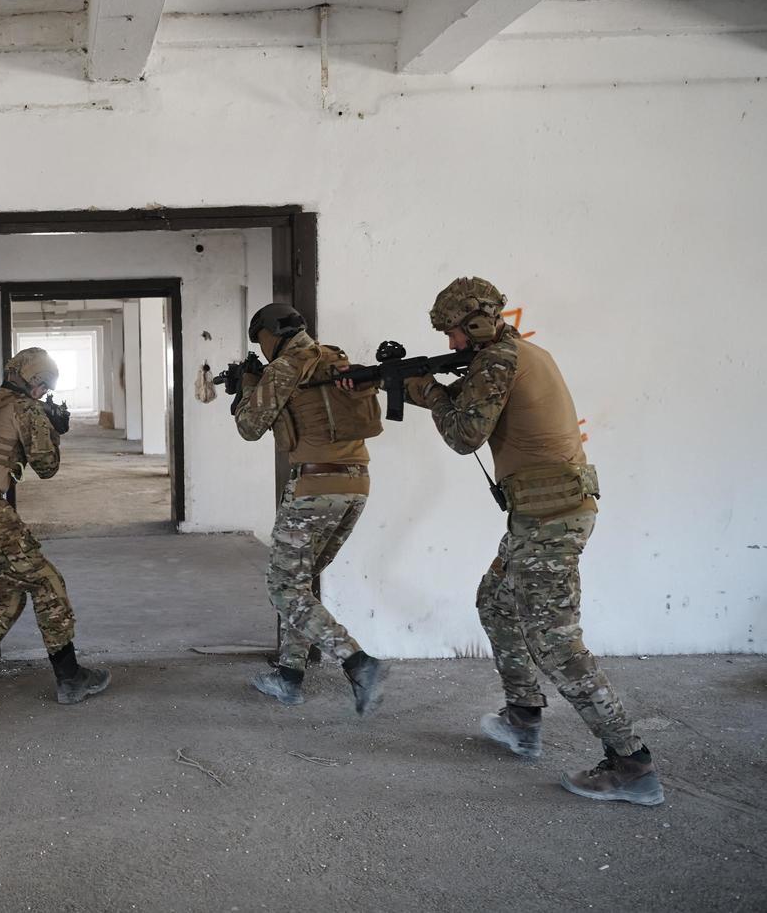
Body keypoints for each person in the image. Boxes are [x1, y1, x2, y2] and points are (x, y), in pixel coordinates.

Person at [406, 277, 663, 806]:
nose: (453, 344)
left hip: (551, 517)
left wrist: (426, 391)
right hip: (539, 514)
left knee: (554, 642)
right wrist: (426, 384)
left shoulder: (497, 360)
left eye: (454, 332)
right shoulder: (512, 352)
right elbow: (477, 408)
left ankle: (631, 764)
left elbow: (464, 436)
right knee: (495, 603)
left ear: (476, 322)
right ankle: (522, 718)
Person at [0, 348, 110, 709]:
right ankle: (70, 675)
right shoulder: (25, 408)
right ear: (32, 380)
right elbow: (46, 467)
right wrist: (54, 430)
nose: (43, 394)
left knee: (6, 596)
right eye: (43, 386)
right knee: (47, 582)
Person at [234, 303, 390, 715]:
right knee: (299, 583)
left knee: (284, 587)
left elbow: (249, 427)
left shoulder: (286, 367)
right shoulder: (332, 357)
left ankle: (358, 663)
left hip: (316, 487)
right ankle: (289, 677)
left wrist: (248, 386)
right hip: (355, 484)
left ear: (270, 334)